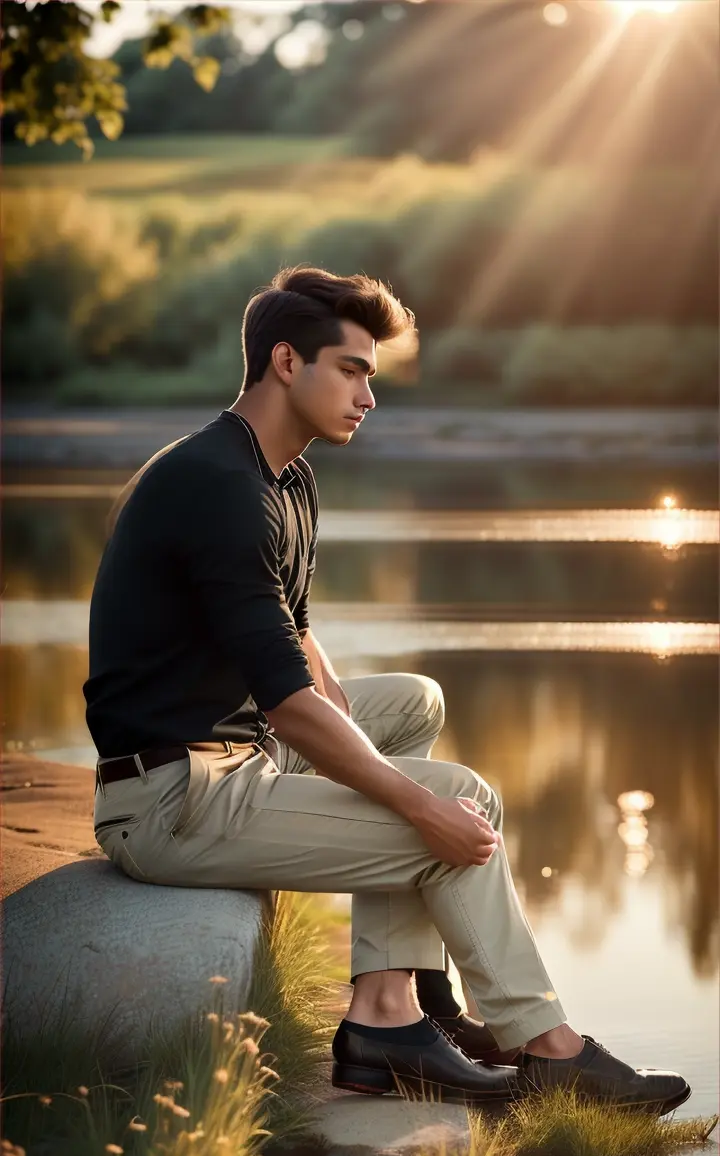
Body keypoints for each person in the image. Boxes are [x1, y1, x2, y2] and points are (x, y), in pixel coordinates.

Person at [84, 266, 690, 1111]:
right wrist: (415, 804)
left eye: (373, 372)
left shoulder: (285, 478)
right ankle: (546, 1048)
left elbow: (297, 642)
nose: (370, 395)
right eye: (354, 369)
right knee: (458, 804)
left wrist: (369, 767)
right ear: (286, 363)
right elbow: (289, 703)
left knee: (414, 703)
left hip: (232, 749)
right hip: (170, 799)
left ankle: (396, 1003)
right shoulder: (217, 488)